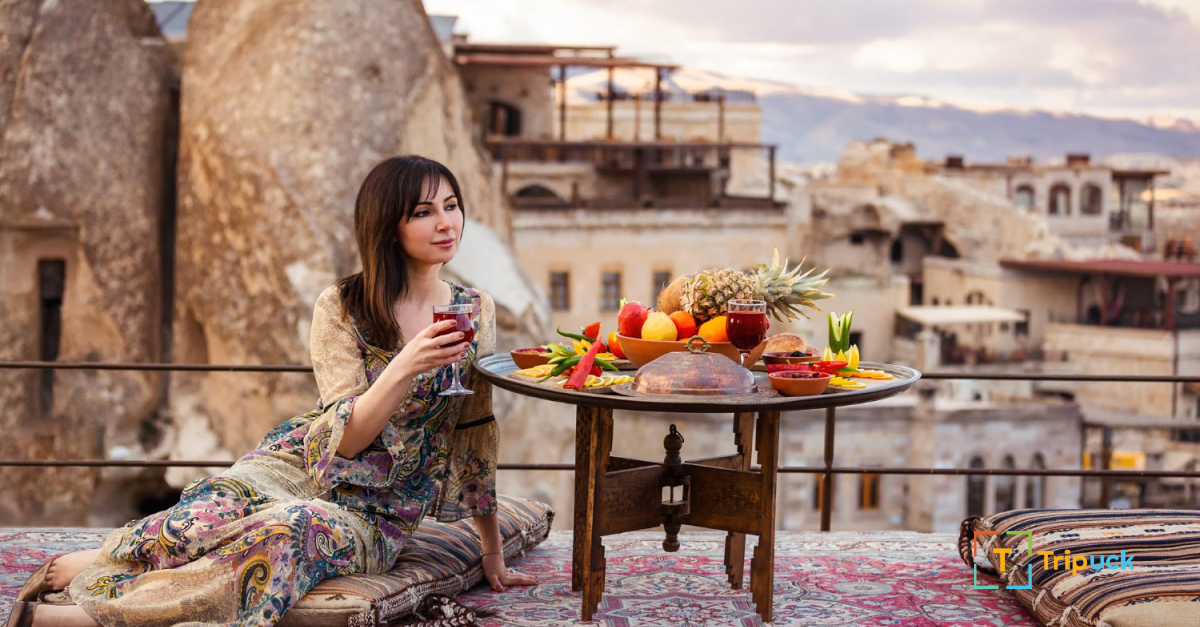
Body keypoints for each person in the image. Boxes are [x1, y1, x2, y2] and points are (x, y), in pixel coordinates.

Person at [18, 156, 537, 627]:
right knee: (212, 510)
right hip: (298, 464)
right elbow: (347, 440)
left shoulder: (474, 309)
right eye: (424, 212)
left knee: (288, 533)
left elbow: (472, 427)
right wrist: (405, 365)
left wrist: (490, 551)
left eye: (452, 206)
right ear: (388, 227)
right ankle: (112, 556)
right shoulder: (342, 306)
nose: (447, 223)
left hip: (377, 511)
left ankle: (81, 620)